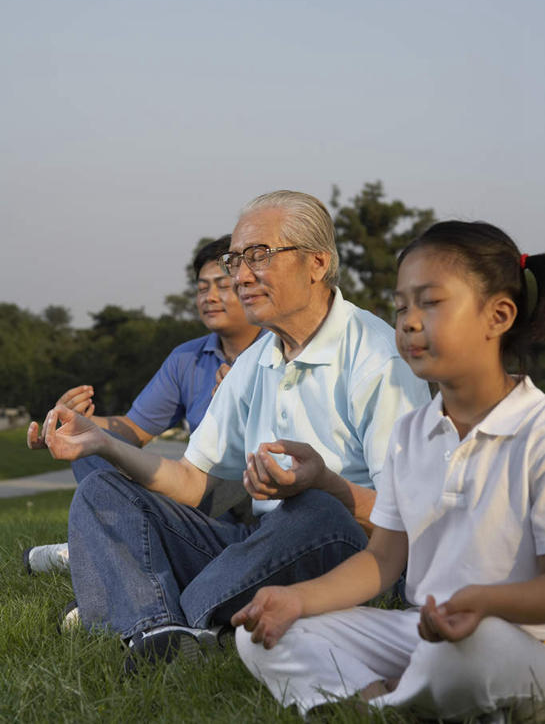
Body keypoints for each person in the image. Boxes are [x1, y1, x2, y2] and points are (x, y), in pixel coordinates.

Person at [29, 190, 429, 671]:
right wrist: (103, 443)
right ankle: (160, 633)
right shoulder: (258, 359)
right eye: (235, 258)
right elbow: (196, 482)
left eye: (258, 256)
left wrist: (325, 484)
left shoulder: (377, 358)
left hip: (350, 553)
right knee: (103, 490)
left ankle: (151, 611)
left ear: (317, 263)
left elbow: (405, 520)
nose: (239, 276)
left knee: (316, 511)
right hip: (257, 546)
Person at [234, 220, 545, 722]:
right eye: (401, 307)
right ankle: (391, 702)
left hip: (512, 637)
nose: (409, 322)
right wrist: (296, 598)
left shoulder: (538, 431)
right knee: (263, 637)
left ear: (498, 316)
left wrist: (482, 603)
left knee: (463, 652)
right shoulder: (411, 433)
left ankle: (389, 699)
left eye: (431, 302)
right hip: (422, 627)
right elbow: (382, 560)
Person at [24, 235, 263, 574]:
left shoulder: (277, 350)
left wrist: (242, 408)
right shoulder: (187, 358)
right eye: (201, 288)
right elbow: (134, 430)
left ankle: (107, 548)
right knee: (90, 447)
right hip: (192, 493)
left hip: (245, 497)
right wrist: (73, 425)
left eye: (222, 286)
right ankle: (122, 543)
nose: (209, 297)